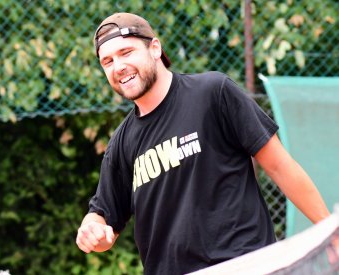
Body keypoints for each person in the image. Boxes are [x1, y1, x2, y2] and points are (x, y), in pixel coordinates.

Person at [75, 12, 330, 274]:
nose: (118, 67)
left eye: (126, 52)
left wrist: (330, 234)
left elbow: (279, 165)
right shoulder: (120, 144)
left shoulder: (213, 93)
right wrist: (92, 229)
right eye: (107, 61)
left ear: (154, 48)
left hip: (245, 265)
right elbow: (104, 217)